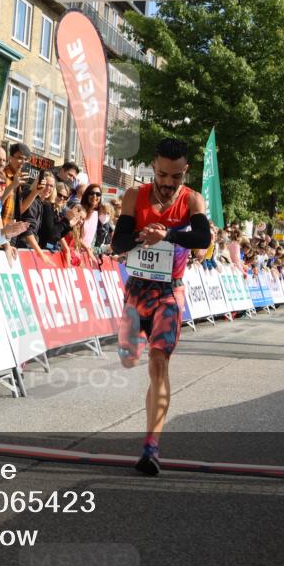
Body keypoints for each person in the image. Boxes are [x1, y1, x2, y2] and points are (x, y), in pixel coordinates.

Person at [111, 138, 211, 476]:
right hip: (136, 292)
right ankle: (132, 345)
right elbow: (118, 243)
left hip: (169, 293)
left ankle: (151, 447)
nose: (168, 183)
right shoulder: (134, 196)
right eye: (163, 175)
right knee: (129, 358)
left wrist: (167, 235)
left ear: (186, 171)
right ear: (153, 167)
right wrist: (144, 234)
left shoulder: (192, 200)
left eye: (176, 176)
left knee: (158, 364)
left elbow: (203, 239)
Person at [80, 183, 103, 252]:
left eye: (98, 194)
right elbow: (74, 236)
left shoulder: (96, 213)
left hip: (85, 253)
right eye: (92, 193)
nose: (94, 196)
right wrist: (86, 248)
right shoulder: (79, 210)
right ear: (87, 195)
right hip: (74, 251)